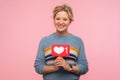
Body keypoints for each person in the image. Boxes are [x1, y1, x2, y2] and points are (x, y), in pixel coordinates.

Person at [34, 4, 89, 80]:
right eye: (58, 19)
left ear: (70, 21)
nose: (61, 22)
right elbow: (38, 66)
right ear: (54, 19)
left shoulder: (78, 41)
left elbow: (84, 67)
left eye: (65, 19)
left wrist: (68, 67)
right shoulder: (44, 41)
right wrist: (54, 67)